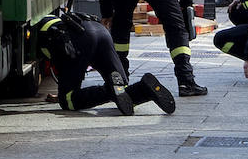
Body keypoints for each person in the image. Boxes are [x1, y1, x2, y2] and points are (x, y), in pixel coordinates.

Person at [33, 9, 176, 115]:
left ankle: (109, 90)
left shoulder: (34, 35)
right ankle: (144, 89)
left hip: (75, 38)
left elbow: (66, 69)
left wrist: (64, 92)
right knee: (120, 85)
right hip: (100, 31)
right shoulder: (49, 15)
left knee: (68, 101)